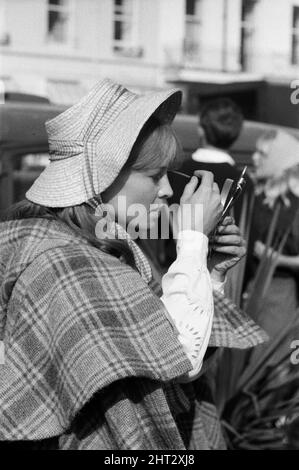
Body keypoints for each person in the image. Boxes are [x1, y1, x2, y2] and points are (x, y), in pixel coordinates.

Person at [0, 79, 266, 450]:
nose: (167, 191)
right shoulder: (65, 264)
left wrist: (209, 272)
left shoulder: (107, 251)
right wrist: (191, 242)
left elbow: (173, 358)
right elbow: (175, 361)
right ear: (103, 179)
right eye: (155, 176)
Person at [246, 129, 299, 339]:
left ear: (280, 159)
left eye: (262, 154)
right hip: (248, 290)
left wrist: (276, 259)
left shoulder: (294, 205)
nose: (254, 158)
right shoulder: (254, 194)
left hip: (279, 294)